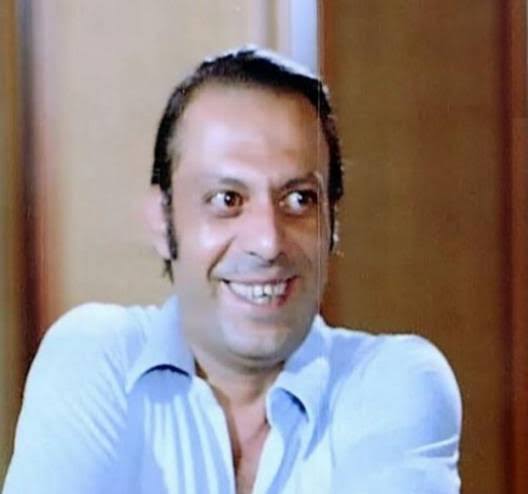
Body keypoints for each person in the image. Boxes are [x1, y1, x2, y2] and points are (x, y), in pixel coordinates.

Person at [3, 47, 462, 494]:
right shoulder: (98, 357)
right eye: (227, 199)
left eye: (299, 199)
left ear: (332, 224)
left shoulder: (392, 381)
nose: (267, 242)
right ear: (162, 221)